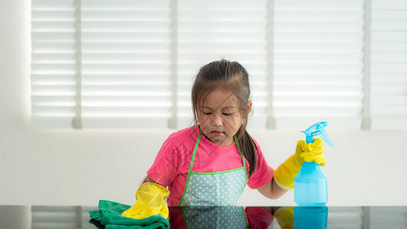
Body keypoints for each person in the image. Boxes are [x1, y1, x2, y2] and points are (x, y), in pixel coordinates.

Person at [121, 59, 326, 218]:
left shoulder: (247, 147)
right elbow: (152, 185)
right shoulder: (178, 146)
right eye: (207, 112)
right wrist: (149, 204)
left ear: (246, 110)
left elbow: (272, 189)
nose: (216, 122)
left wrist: (298, 164)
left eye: (227, 113)